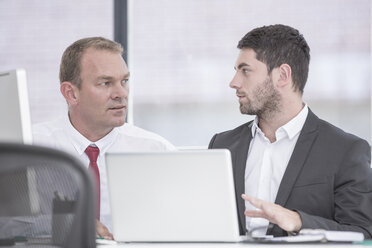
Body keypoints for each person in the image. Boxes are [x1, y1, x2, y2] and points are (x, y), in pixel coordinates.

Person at [208, 24, 372, 238]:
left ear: (282, 75)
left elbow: (363, 232)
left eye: (245, 70)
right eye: (236, 71)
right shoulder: (222, 145)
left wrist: (298, 221)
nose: (234, 82)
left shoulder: (346, 151)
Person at [33, 37, 175, 239]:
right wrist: (65, 223)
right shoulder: (30, 147)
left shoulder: (157, 151)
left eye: (124, 81)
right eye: (105, 83)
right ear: (71, 94)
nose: (121, 94)